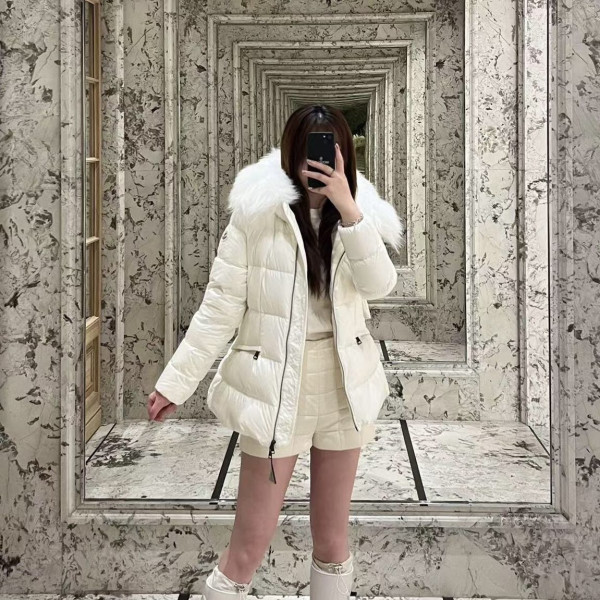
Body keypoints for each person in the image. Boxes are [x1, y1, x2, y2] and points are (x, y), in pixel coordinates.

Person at [147, 104, 405, 599]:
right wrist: (176, 382)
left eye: (328, 149)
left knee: (332, 541)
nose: (317, 162)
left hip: (343, 390)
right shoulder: (256, 214)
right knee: (247, 547)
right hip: (275, 389)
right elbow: (219, 308)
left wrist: (349, 209)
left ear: (345, 155)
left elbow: (380, 285)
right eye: (309, 149)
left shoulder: (360, 216)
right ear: (291, 151)